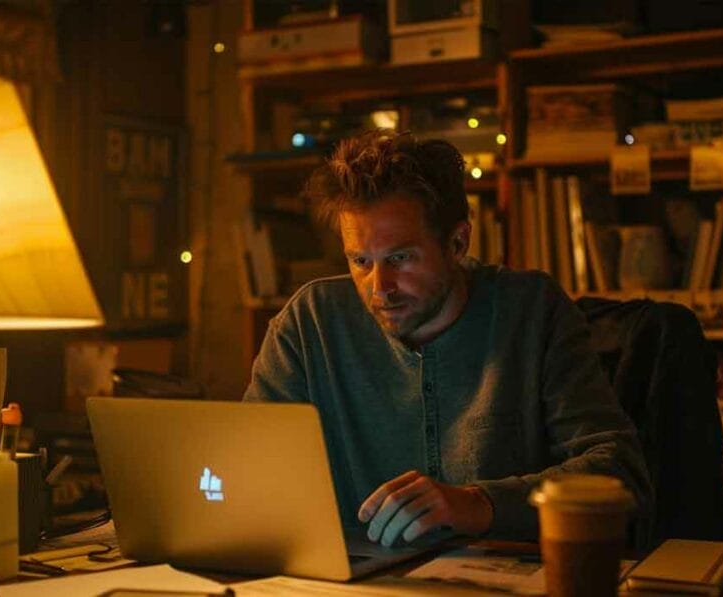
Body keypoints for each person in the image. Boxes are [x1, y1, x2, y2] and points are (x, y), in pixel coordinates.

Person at [243, 130, 651, 546]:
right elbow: (246, 467)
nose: (379, 286)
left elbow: (619, 472)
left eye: (400, 258)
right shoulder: (309, 323)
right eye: (360, 261)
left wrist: (479, 504)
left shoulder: (531, 312)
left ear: (458, 242)